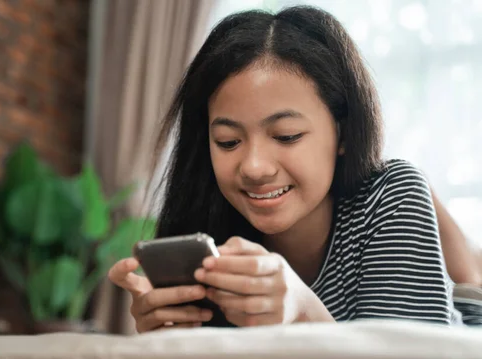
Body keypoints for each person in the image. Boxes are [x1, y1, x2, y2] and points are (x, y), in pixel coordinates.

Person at [108, 5, 482, 332]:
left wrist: (303, 310)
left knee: (468, 282)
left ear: (343, 132)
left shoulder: (388, 197)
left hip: (465, 341)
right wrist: (170, 346)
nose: (254, 167)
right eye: (227, 141)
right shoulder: (207, 226)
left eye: (286, 136)